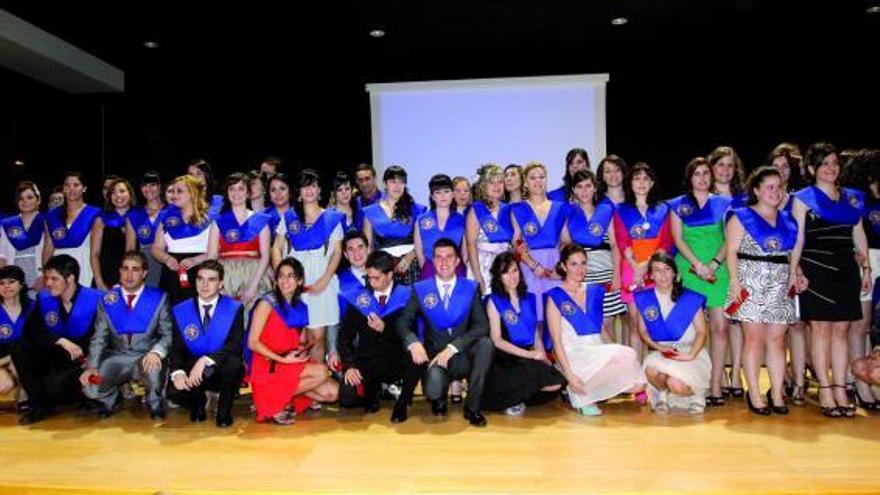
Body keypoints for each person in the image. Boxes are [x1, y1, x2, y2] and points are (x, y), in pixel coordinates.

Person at [792, 143, 870, 418]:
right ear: (812, 169)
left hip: (846, 270)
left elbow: (858, 234)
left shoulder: (853, 198)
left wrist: (868, 268)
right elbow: (797, 238)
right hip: (816, 269)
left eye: (834, 162)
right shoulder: (802, 198)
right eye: (824, 163)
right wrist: (795, 270)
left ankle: (840, 387)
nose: (830, 168)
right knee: (821, 329)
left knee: (842, 331)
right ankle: (824, 388)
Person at [726, 166, 805, 415]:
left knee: (777, 341)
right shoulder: (741, 216)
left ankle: (778, 393)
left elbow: (792, 254)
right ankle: (756, 394)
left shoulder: (789, 219)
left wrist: (795, 274)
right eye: (769, 187)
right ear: (757, 190)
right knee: (755, 339)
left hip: (780, 284)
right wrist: (735, 282)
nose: (775, 191)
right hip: (750, 283)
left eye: (778, 186)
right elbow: (731, 252)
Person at [394, 238, 493, 427]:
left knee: (485, 344)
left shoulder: (470, 288)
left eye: (449, 257)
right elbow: (402, 322)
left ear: (457, 261)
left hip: (463, 355)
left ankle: (473, 408)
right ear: (432, 261)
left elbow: (482, 326)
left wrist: (454, 347)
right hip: (436, 357)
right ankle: (438, 397)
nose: (444, 262)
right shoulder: (421, 289)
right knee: (432, 390)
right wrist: (413, 342)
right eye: (438, 257)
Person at [546, 244, 645, 416]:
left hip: (595, 350)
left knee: (637, 383)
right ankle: (576, 386)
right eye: (574, 264)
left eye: (583, 263)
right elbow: (556, 341)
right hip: (573, 355)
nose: (580, 269)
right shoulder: (555, 296)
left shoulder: (594, 290)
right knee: (625, 357)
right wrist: (568, 374)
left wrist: (614, 353)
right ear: (563, 266)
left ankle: (581, 391)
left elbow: (600, 328)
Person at [667, 157, 732, 405]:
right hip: (690, 270)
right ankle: (694, 382)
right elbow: (678, 239)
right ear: (689, 178)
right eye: (697, 174)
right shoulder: (677, 205)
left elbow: (729, 239)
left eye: (706, 173)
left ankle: (716, 384)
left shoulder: (724, 203)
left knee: (720, 328)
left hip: (718, 272)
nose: (702, 178)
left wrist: (713, 264)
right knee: (693, 331)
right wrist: (698, 265)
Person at [79, 251, 172, 419]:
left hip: (146, 357)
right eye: (125, 269)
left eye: (135, 269)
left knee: (153, 369)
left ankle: (155, 402)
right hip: (117, 358)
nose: (129, 275)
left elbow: (167, 334)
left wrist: (156, 352)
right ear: (119, 271)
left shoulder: (159, 297)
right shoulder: (107, 300)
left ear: (144, 273)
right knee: (91, 385)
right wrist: (91, 366)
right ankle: (111, 399)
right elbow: (99, 337)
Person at [13, 255, 104, 424]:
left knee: (58, 390)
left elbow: (104, 337)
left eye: (54, 279)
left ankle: (90, 397)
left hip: (86, 358)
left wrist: (91, 362)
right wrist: (60, 340)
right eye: (47, 278)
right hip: (59, 354)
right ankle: (39, 406)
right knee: (20, 347)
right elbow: (31, 331)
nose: (48, 283)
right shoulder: (45, 299)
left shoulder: (95, 300)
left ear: (70, 278)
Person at [248, 257, 339, 425]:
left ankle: (279, 397)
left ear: (299, 281)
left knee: (332, 393)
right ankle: (273, 402)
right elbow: (252, 343)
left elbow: (299, 342)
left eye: (290, 276)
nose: (285, 280)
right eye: (281, 276)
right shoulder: (266, 304)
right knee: (321, 372)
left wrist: (306, 347)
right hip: (268, 363)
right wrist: (283, 359)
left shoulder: (301, 307)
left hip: (288, 361)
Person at [338, 251, 423, 421]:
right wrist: (349, 365)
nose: (371, 282)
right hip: (368, 361)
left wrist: (385, 328)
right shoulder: (360, 298)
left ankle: (402, 402)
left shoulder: (406, 295)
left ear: (390, 275)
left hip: (396, 358)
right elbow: (344, 335)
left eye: (376, 278)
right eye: (369, 277)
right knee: (347, 397)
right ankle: (377, 391)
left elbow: (411, 332)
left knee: (417, 357)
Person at [272, 169, 344, 364]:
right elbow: (276, 248)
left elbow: (337, 252)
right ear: (299, 191)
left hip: (320, 283)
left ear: (319, 190)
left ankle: (317, 379)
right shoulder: (289, 218)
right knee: (297, 337)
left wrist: (325, 279)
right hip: (294, 285)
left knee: (316, 337)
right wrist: (282, 278)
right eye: (304, 186)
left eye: (312, 185)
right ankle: (299, 383)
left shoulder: (331, 218)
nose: (309, 190)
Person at [482, 252, 565, 416]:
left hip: (529, 354)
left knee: (558, 382)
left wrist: (545, 360)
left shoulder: (530, 298)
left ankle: (519, 397)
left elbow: (535, 336)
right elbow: (497, 341)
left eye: (515, 271)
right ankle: (511, 399)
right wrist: (529, 355)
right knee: (532, 375)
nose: (512, 276)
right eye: (505, 272)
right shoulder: (494, 301)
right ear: (498, 277)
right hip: (506, 357)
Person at [167, 260, 245, 428]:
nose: (205, 284)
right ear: (194, 282)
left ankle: (224, 411)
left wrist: (206, 360)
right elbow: (177, 346)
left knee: (234, 365)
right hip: (192, 367)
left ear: (221, 284)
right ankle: (198, 402)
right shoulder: (181, 309)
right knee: (173, 392)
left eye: (211, 279)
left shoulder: (234, 308)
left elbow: (235, 344)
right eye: (200, 279)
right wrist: (178, 372)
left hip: (220, 366)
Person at [635, 253, 711, 414]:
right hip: (663, 352)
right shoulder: (645, 299)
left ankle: (697, 395)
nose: (662, 275)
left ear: (676, 274)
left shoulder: (690, 298)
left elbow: (702, 332)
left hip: (690, 352)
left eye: (667, 269)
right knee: (651, 371)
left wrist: (690, 355)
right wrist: (658, 347)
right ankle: (662, 394)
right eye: (657, 270)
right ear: (651, 275)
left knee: (676, 383)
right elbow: (642, 331)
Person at [613, 162, 672, 361]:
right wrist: (636, 265)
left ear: (652, 183)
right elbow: (622, 240)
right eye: (637, 178)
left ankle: (656, 369)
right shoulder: (621, 210)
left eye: (646, 178)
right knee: (634, 322)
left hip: (657, 269)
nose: (641, 183)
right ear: (630, 183)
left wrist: (647, 264)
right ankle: (637, 374)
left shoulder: (663, 209)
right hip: (631, 269)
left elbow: (666, 241)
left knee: (655, 320)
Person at [560, 169, 625, 341]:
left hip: (605, 273)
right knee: (591, 324)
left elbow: (614, 244)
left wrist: (617, 274)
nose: (584, 191)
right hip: (581, 276)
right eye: (579, 187)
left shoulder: (605, 211)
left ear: (595, 188)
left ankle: (615, 363)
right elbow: (565, 245)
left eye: (588, 186)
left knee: (607, 323)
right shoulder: (568, 213)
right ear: (573, 190)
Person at [511, 162, 567, 325]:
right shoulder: (518, 208)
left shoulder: (559, 207)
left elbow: (565, 241)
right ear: (526, 182)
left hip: (554, 265)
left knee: (557, 318)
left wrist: (560, 267)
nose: (538, 181)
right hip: (530, 268)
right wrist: (532, 265)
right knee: (535, 319)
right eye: (532, 178)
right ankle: (538, 351)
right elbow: (517, 241)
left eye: (541, 177)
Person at [846, 148, 880, 409]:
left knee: (871, 326)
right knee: (861, 322)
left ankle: (873, 377)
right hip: (866, 260)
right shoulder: (857, 199)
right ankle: (860, 384)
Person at [151, 175, 219, 305]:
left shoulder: (211, 218)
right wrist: (166, 259)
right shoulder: (166, 217)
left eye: (179, 191)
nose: (174, 195)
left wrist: (195, 260)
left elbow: (215, 252)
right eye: (173, 191)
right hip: (172, 273)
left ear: (193, 193)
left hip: (201, 273)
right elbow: (156, 248)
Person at [213, 173, 272, 312]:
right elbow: (212, 255)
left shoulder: (261, 220)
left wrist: (253, 286)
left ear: (248, 193)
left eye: (241, 188)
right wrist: (216, 283)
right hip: (226, 275)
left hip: (254, 273)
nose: (236, 193)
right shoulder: (218, 221)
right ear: (226, 193)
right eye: (231, 188)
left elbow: (265, 256)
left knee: (254, 320)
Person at [362, 165, 427, 286]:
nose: (397, 186)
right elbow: (368, 247)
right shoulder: (371, 212)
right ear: (385, 184)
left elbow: (424, 241)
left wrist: (409, 257)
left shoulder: (417, 210)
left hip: (411, 267)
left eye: (401, 181)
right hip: (382, 270)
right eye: (393, 181)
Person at [42, 171, 101, 287]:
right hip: (58, 268)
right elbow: (48, 247)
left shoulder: (94, 213)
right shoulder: (52, 215)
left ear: (84, 188)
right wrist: (45, 274)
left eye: (76, 185)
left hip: (84, 265)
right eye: (67, 185)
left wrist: (98, 279)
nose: (71, 189)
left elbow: (95, 252)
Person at [466, 164, 513, 296]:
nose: (497, 186)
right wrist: (477, 276)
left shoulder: (508, 209)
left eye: (500, 182)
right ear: (483, 186)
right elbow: (471, 244)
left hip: (505, 265)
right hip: (483, 265)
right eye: (492, 182)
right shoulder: (476, 209)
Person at [415, 174, 467, 280]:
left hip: (456, 271)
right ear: (432, 196)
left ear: (452, 194)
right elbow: (419, 251)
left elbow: (465, 252)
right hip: (429, 270)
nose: (443, 196)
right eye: (438, 192)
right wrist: (427, 268)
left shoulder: (462, 220)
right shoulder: (421, 220)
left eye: (446, 191)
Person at [90, 178, 137, 290]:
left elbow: (131, 250)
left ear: (130, 193)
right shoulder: (101, 219)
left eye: (122, 191)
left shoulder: (140, 217)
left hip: (131, 276)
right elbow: (94, 254)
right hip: (105, 276)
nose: (118, 195)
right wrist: (99, 282)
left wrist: (126, 279)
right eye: (113, 192)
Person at [0, 181, 46, 292]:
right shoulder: (7, 224)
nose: (25, 201)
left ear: (38, 200)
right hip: (13, 281)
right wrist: (4, 280)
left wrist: (46, 276)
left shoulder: (47, 222)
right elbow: (2, 255)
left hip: (41, 280)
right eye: (21, 198)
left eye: (29, 197)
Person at [0, 265, 34, 412]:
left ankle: (24, 395)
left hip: (26, 358)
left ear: (21, 285)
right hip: (1, 359)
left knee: (19, 363)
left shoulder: (33, 308)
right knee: (3, 385)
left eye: (11, 282)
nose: (6, 286)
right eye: (1, 283)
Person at [125, 171, 166, 287]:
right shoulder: (134, 214)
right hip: (146, 265)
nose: (148, 189)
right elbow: (130, 249)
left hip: (170, 262)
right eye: (144, 185)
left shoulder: (172, 211)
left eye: (153, 185)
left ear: (160, 187)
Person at [261, 173, 295, 242]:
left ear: (290, 192)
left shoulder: (301, 213)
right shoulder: (262, 217)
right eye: (273, 190)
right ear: (269, 195)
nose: (278, 193)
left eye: (282, 188)